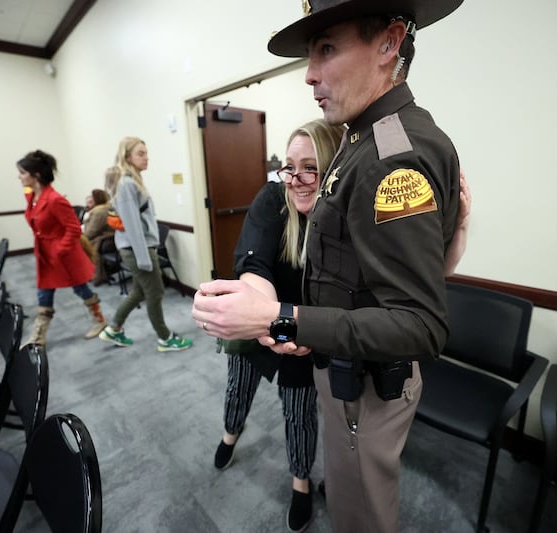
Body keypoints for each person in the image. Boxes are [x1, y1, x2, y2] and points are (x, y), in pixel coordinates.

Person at [192, 1, 464, 531]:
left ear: (388, 43)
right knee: (344, 495)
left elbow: (421, 325)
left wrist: (280, 317)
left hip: (367, 386)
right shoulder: (360, 137)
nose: (310, 74)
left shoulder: (393, 155)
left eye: (326, 49)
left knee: (360, 513)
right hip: (341, 368)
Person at [215, 119, 343, 532]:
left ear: (333, 169)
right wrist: (267, 322)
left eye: (310, 166)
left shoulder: (341, 215)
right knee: (238, 387)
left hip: (302, 334)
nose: (297, 178)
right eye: (290, 166)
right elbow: (253, 263)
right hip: (261, 320)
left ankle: (300, 482)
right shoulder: (273, 197)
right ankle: (231, 434)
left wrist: (290, 332)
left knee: (299, 413)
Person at [98, 137, 192, 352]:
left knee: (139, 292)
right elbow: (132, 226)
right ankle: (165, 338)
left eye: (146, 153)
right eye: (140, 153)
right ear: (127, 156)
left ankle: (113, 329)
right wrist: (144, 259)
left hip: (136, 248)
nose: (146, 157)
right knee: (156, 293)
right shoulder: (127, 183)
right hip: (137, 249)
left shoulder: (132, 180)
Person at [17, 149, 109, 345]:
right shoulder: (34, 197)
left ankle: (99, 320)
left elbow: (74, 228)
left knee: (80, 288)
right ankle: (38, 336)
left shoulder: (55, 199)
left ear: (37, 175)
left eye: (23, 172)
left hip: (63, 255)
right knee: (44, 291)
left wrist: (60, 249)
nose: (19, 177)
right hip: (46, 254)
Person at [83, 187, 115, 286]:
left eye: (92, 197)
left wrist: (80, 237)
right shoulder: (101, 209)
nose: (90, 199)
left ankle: (94, 275)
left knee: (78, 244)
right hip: (107, 237)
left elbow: (91, 232)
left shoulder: (99, 212)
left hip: (104, 239)